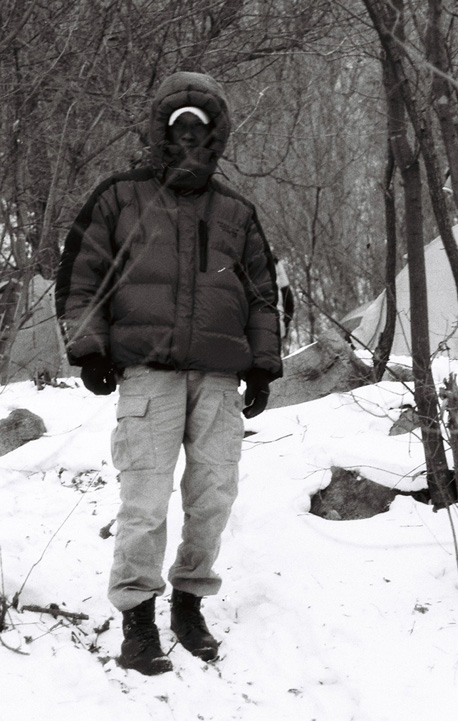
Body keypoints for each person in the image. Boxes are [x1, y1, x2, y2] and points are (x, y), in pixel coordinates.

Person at [55, 71, 282, 676]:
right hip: (148, 374)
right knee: (145, 499)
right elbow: (81, 274)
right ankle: (137, 619)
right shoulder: (119, 197)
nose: (188, 137)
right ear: (161, 129)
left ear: (216, 135)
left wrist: (263, 366)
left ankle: (189, 601)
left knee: (214, 496)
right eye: (178, 125)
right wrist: (90, 350)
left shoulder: (236, 211)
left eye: (199, 128)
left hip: (218, 378)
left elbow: (262, 293)